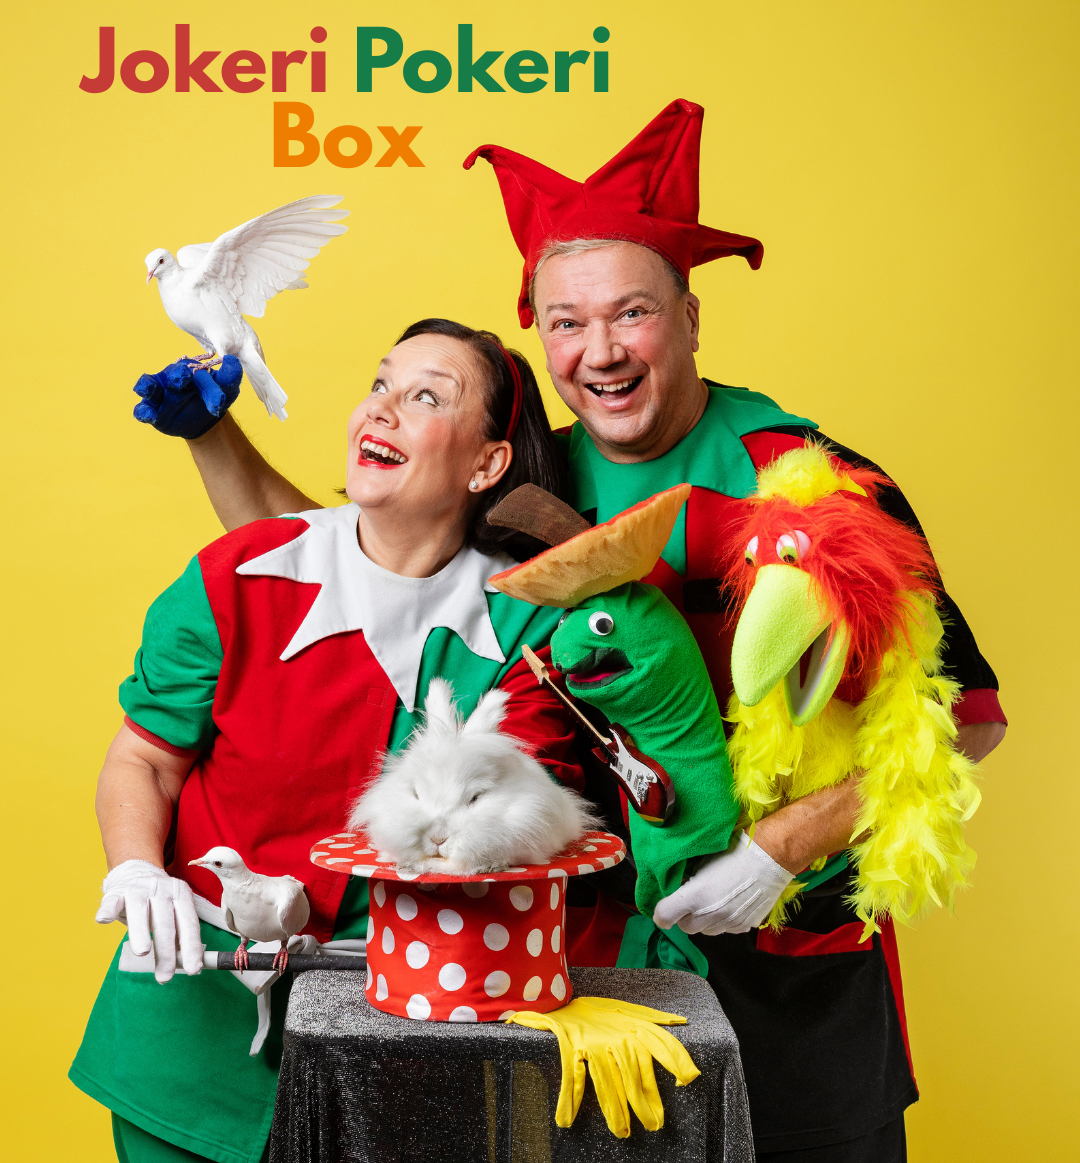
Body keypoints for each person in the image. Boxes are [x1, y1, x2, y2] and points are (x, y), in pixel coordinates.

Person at [149, 104, 1007, 1162]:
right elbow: (353, 560)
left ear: (690, 317)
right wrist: (212, 431)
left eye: (630, 314)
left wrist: (775, 854)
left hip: (795, 958)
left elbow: (966, 722)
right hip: (578, 953)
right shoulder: (529, 474)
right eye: (566, 321)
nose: (599, 350)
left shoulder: (812, 475)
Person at [70, 319, 590, 1163]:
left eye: (426, 396)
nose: (379, 409)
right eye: (379, 383)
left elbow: (513, 825)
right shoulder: (234, 575)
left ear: (487, 464)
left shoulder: (531, 632)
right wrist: (134, 866)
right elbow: (145, 758)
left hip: (406, 1036)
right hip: (191, 1029)